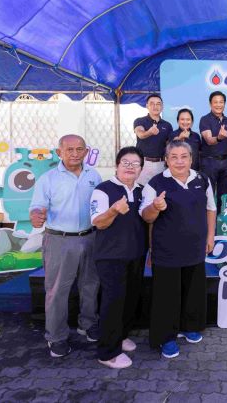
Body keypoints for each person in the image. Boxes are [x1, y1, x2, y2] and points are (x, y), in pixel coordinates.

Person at [140, 141, 217, 359]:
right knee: (167, 296)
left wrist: (210, 236)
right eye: (174, 157)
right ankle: (166, 337)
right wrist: (155, 207)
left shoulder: (202, 179)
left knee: (192, 290)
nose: (179, 161)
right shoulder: (155, 183)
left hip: (195, 248)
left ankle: (190, 327)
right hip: (167, 251)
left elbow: (211, 209)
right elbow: (146, 217)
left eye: (184, 156)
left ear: (191, 159)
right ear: (166, 160)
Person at [29, 134, 102, 358]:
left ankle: (88, 324)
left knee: (90, 285)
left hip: (90, 237)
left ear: (86, 152)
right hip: (59, 240)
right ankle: (56, 337)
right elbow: (37, 207)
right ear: (59, 152)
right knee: (57, 291)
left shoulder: (94, 175)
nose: (75, 154)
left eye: (79, 149)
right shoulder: (48, 179)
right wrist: (36, 215)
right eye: (69, 150)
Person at [90, 147, 147, 369]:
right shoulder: (103, 190)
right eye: (125, 162)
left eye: (135, 163)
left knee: (130, 299)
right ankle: (107, 352)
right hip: (110, 257)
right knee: (113, 303)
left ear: (141, 169)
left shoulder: (142, 191)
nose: (130, 167)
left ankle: (121, 337)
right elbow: (98, 222)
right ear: (117, 165)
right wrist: (113, 210)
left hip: (136, 254)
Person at [199, 91, 227, 214]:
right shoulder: (205, 120)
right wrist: (219, 137)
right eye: (215, 102)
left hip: (225, 163)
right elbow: (209, 140)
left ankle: (221, 221)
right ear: (210, 104)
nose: (218, 105)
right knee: (208, 195)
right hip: (209, 163)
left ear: (224, 103)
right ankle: (207, 223)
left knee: (223, 197)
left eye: (221, 102)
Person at [134, 94, 173, 185]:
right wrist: (150, 132)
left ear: (162, 107)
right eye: (152, 103)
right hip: (143, 164)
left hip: (161, 164)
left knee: (159, 190)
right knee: (141, 190)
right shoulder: (139, 121)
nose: (155, 106)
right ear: (147, 106)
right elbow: (140, 134)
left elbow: (169, 145)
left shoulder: (167, 125)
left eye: (158, 104)